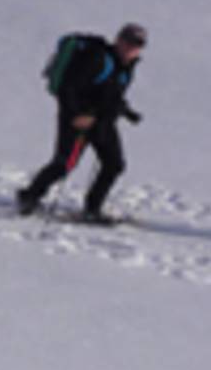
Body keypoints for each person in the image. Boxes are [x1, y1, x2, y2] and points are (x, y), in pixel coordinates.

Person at [16, 23, 147, 224]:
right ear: (118, 40)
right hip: (78, 120)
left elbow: (110, 93)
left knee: (114, 165)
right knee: (64, 164)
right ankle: (29, 196)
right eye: (128, 41)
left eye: (138, 44)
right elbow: (68, 89)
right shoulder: (99, 59)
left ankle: (92, 209)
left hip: (103, 121)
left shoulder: (126, 67)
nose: (132, 47)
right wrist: (78, 115)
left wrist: (126, 111)